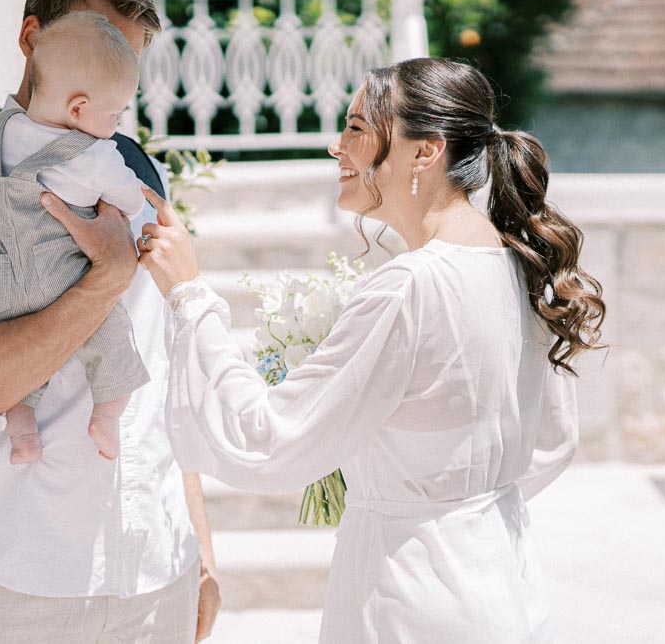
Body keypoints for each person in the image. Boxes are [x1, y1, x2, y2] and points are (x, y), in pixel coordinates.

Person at [137, 57, 606, 643]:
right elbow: (553, 442)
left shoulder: (411, 285)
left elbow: (270, 439)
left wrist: (188, 295)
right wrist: (453, 499)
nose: (338, 147)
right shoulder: (516, 266)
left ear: (424, 151)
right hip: (501, 574)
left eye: (358, 128)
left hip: (410, 592)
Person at [0, 0, 220, 642]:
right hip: (24, 573)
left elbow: (161, 366)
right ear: (32, 39)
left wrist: (201, 545)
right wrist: (105, 274)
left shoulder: (134, 167)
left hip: (157, 564)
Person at [0, 11, 152, 464]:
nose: (116, 123)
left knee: (23, 376)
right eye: (115, 112)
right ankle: (107, 419)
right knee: (112, 338)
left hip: (4, 282)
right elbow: (131, 202)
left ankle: (22, 434)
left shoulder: (2, 130)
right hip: (62, 278)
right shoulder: (91, 154)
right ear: (78, 109)